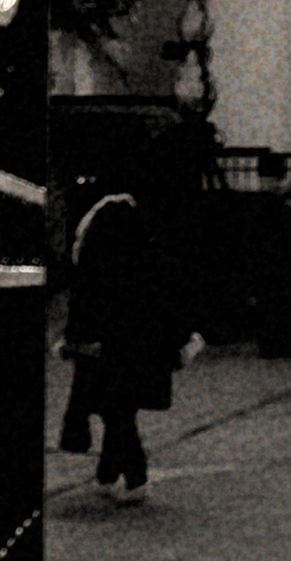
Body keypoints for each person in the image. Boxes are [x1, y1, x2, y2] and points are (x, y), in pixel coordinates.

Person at [62, 183, 200, 497]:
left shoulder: (98, 263)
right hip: (140, 345)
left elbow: (84, 302)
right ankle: (108, 475)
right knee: (120, 410)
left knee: (116, 412)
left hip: (106, 347)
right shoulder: (148, 259)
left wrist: (76, 340)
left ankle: (134, 477)